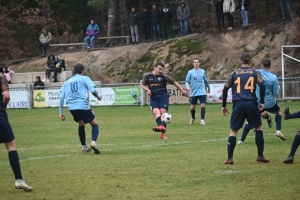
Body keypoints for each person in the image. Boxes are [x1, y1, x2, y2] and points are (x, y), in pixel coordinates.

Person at [222, 52, 269, 164]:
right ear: (250, 61)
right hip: (251, 103)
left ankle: (229, 158)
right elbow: (262, 85)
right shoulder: (255, 73)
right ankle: (260, 155)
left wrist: (224, 105)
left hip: (238, 104)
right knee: (258, 128)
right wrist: (262, 102)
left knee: (233, 131)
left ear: (240, 61)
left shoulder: (234, 73)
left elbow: (225, 89)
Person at [237, 58, 286, 144]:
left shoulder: (255, 73)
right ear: (270, 66)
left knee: (250, 119)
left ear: (261, 65)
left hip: (256, 100)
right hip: (269, 101)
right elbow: (276, 93)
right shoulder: (274, 77)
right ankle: (278, 130)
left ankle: (241, 140)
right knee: (278, 111)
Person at [0, 67, 33, 191]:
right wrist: (3, 107)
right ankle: (19, 180)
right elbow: (7, 96)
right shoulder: (2, 77)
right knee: (11, 146)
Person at [59, 63, 102, 154]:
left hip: (71, 108)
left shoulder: (66, 82)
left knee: (81, 124)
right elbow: (93, 90)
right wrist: (98, 97)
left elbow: (61, 97)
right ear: (83, 71)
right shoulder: (85, 78)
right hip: (82, 105)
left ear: (74, 72)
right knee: (94, 124)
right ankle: (93, 142)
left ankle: (84, 147)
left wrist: (61, 112)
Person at [141, 62, 189, 140]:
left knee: (163, 113)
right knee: (156, 111)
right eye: (159, 69)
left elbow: (175, 83)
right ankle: (161, 127)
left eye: (162, 69)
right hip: (153, 97)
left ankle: (163, 133)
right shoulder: (147, 75)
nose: (161, 71)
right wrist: (147, 90)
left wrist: (182, 91)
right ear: (154, 68)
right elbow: (143, 85)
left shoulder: (165, 77)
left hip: (163, 97)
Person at [185, 58, 210, 125]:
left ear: (199, 63)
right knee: (193, 107)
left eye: (197, 62)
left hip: (202, 91)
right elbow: (187, 81)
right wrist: (188, 87)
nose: (196, 63)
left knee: (203, 105)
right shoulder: (190, 72)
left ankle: (202, 120)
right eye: (195, 62)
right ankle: (193, 117)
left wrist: (208, 87)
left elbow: (205, 81)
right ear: (193, 64)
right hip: (194, 92)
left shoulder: (202, 71)